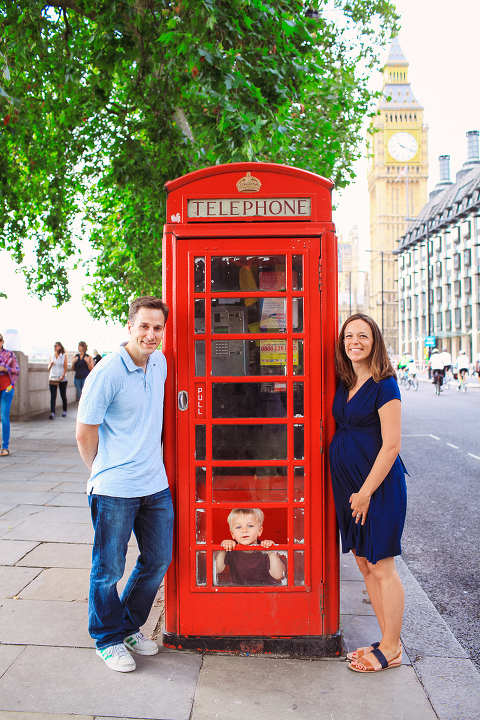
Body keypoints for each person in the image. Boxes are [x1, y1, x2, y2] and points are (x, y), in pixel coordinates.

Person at [76, 296, 173, 674]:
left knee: (157, 560)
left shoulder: (160, 363)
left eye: (158, 328)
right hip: (115, 487)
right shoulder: (107, 372)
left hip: (155, 484)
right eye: (144, 326)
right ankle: (107, 638)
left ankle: (129, 627)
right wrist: (103, 472)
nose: (151, 334)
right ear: (129, 326)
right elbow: (85, 433)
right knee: (108, 569)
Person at [329, 313, 407, 674]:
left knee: (382, 564)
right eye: (348, 336)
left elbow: (391, 446)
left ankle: (391, 648)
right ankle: (387, 639)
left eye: (363, 336)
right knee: (363, 563)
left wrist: (364, 492)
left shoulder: (384, 383)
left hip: (376, 487)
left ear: (375, 341)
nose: (354, 342)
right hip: (350, 488)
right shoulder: (345, 381)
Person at [215, 508, 285, 586]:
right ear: (233, 534)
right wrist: (223, 548)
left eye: (250, 526)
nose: (244, 530)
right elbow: (217, 569)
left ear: (259, 531)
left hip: (265, 593)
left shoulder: (264, 548)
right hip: (237, 593)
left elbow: (278, 575)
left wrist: (271, 551)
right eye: (238, 527)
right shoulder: (232, 548)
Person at [0, 333, 20, 457]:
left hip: (7, 388)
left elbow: (17, 370)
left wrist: (5, 368)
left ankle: (5, 447)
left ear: (2, 342)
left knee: (4, 416)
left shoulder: (10, 354)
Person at [48, 342, 68, 419]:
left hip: (61, 378)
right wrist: (51, 364)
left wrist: (63, 375)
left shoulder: (63, 355)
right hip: (53, 377)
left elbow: (65, 367)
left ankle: (64, 410)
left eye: (56, 346)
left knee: (63, 395)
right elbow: (48, 367)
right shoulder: (51, 355)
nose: (55, 347)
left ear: (60, 347)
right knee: (53, 396)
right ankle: (52, 412)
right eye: (54, 346)